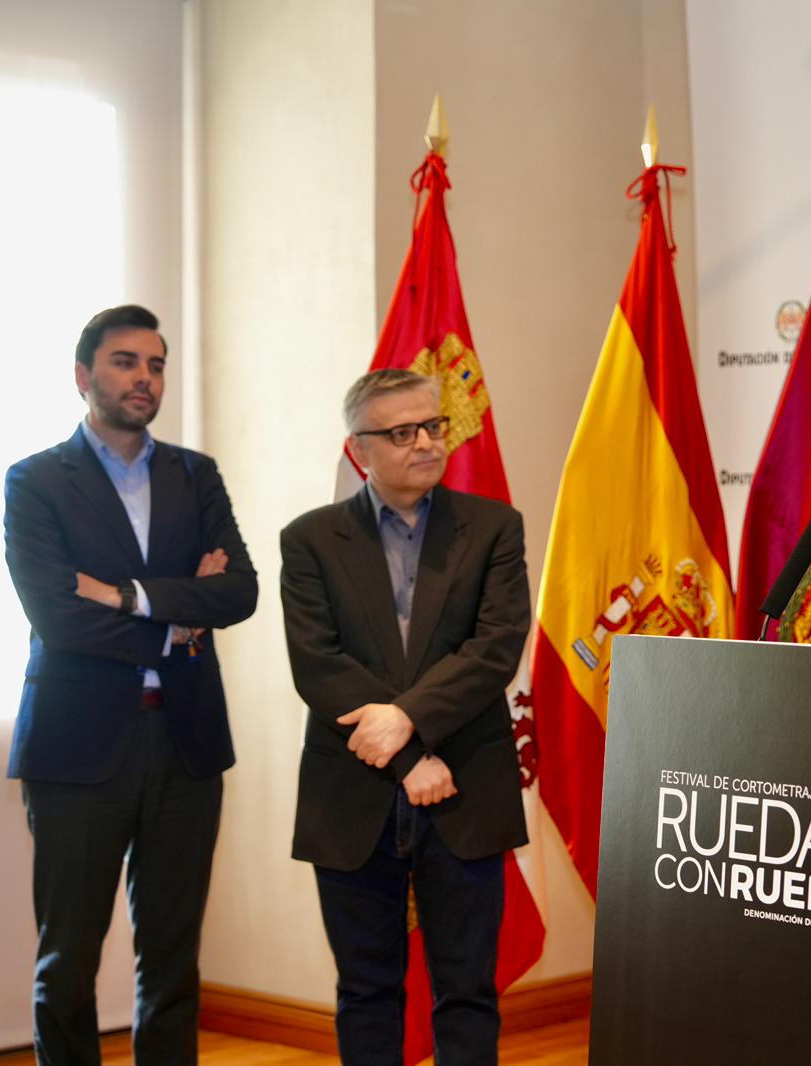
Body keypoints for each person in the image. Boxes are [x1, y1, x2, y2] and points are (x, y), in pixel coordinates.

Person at [4, 303, 258, 1064]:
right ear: (83, 377)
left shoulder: (195, 475)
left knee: (173, 958)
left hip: (186, 741)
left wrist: (125, 596)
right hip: (76, 745)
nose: (144, 377)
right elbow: (58, 617)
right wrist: (179, 617)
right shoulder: (36, 481)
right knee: (68, 959)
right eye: (125, 362)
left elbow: (239, 591)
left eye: (156, 364)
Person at [280, 368, 530, 1066]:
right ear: (358, 450)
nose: (425, 442)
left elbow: (494, 649)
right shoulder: (310, 540)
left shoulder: (493, 527)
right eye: (401, 432)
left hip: (466, 785)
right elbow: (318, 665)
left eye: (433, 425)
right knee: (366, 990)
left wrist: (406, 719)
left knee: (468, 991)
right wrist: (410, 757)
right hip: (352, 794)